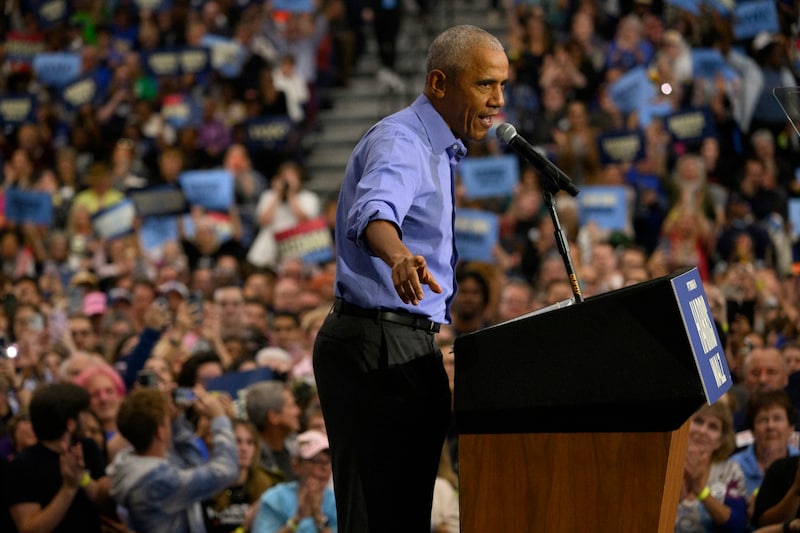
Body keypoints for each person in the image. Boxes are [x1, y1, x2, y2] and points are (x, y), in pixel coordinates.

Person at [312, 24, 508, 532]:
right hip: (378, 344)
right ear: (439, 83)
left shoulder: (438, 148)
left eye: (502, 85)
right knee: (381, 518)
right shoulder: (402, 141)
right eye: (485, 84)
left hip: (399, 341)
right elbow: (374, 211)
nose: (497, 100)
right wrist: (398, 255)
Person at [108, 387, 238, 533]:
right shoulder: (156, 481)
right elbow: (226, 470)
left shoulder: (132, 462)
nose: (169, 423)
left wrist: (176, 421)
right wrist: (219, 417)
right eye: (167, 421)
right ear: (160, 432)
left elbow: (192, 465)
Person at [6, 382, 112, 533]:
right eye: (83, 413)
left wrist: (83, 478)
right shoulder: (22, 466)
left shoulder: (87, 447)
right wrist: (68, 488)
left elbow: (106, 504)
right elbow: (29, 529)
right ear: (70, 424)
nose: (88, 419)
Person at [675, 401, 747, 533]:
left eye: (713, 427)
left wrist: (701, 491)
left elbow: (737, 526)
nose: (703, 431)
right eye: (698, 421)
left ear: (721, 440)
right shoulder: (668, 463)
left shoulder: (731, 471)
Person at [251, 429, 336, 533]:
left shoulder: (337, 502)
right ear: (296, 466)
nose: (325, 468)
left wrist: (318, 518)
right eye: (316, 461)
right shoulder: (275, 499)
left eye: (328, 461)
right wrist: (297, 519)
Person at [202, 419, 274, 533]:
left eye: (250, 442)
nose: (244, 448)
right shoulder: (207, 488)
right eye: (237, 442)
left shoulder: (266, 488)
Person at [730, 390, 799, 501]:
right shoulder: (733, 466)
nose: (770, 426)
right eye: (763, 420)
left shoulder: (798, 462)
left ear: (791, 427)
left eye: (777, 418)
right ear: (752, 430)